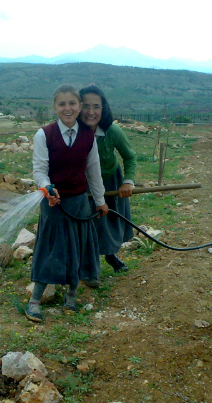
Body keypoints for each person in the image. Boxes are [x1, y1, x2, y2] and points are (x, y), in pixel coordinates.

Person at [25, 84, 109, 323]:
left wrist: (100, 201)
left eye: (72, 103)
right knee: (49, 250)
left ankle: (71, 295)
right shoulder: (44, 135)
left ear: (79, 106)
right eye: (62, 104)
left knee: (78, 248)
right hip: (53, 204)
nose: (67, 108)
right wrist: (47, 188)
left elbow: (94, 172)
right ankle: (35, 300)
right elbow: (40, 170)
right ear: (55, 107)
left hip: (80, 203)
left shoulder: (87, 136)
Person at [78, 84, 137, 286]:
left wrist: (128, 181)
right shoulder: (73, 132)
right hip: (83, 185)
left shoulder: (112, 131)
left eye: (97, 106)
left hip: (110, 181)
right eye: (85, 106)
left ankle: (110, 255)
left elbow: (130, 157)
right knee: (89, 224)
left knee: (109, 221)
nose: (91, 112)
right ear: (78, 107)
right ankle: (90, 270)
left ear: (103, 109)